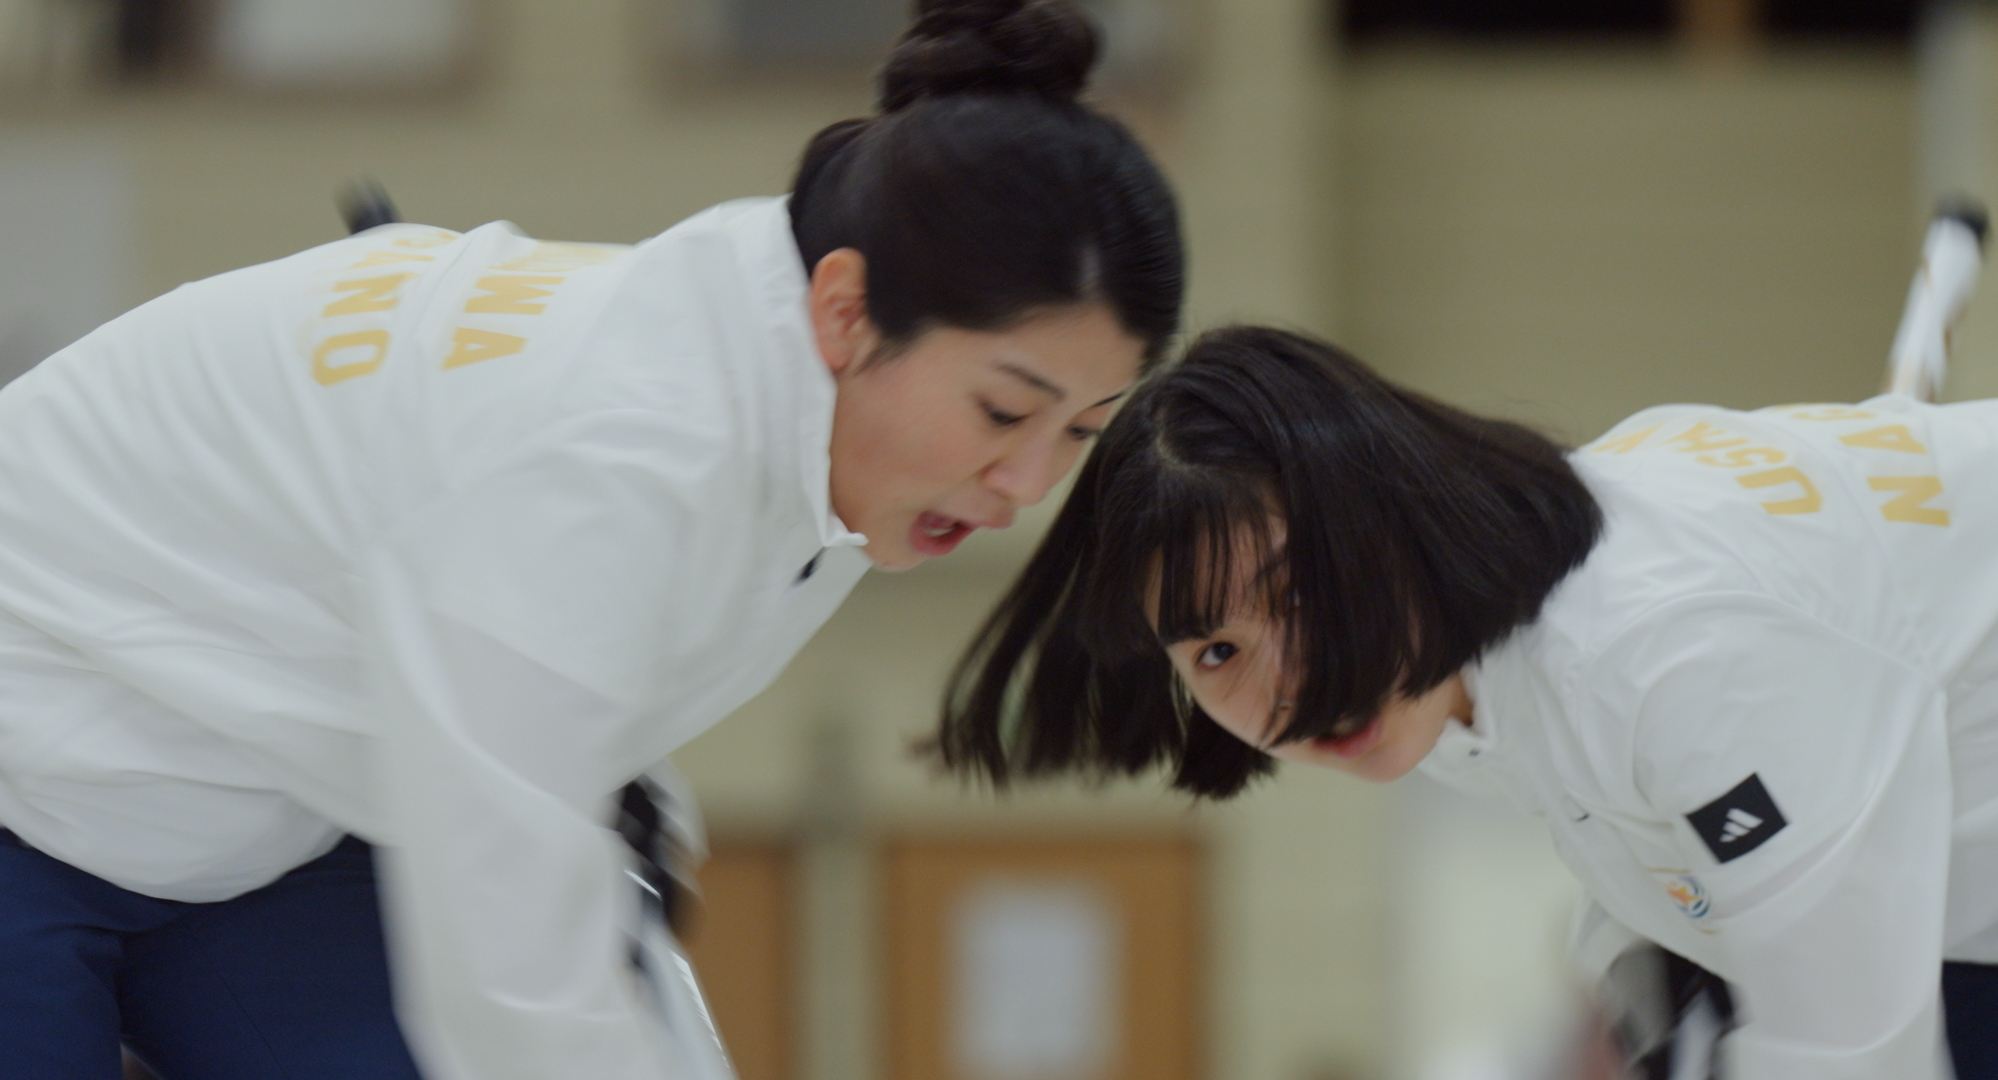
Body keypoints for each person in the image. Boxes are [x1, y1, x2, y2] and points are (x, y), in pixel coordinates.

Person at [0, 1, 1184, 1076]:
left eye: (1080, 430)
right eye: (1003, 410)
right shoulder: (619, 446)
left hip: (273, 812)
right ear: (842, 309)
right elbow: (519, 980)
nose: (1026, 482)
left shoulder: (792, 415)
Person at [939, 324, 1998, 1078]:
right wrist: (1643, 975)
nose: (1288, 690)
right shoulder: (1470, 660)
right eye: (1215, 649)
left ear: (1390, 509)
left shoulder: (1666, 647)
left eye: (1303, 594)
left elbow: (1856, 1051)